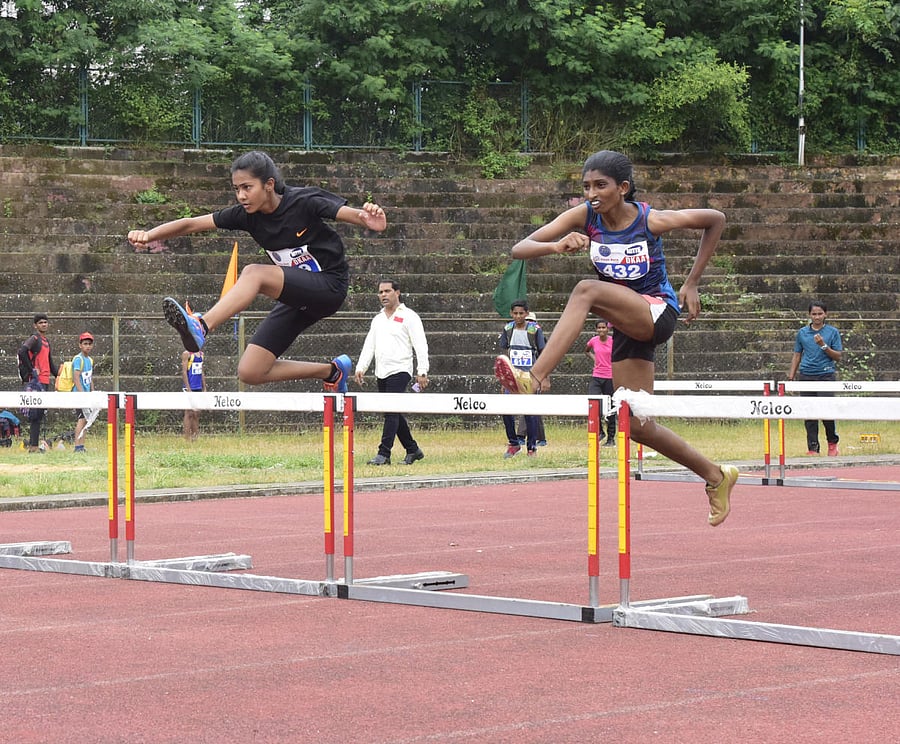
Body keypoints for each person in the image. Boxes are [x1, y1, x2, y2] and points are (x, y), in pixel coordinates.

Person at [493, 149, 738, 526]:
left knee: (586, 290)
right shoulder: (585, 217)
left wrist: (691, 283)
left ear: (622, 188)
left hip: (657, 312)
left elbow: (715, 219)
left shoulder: (649, 219)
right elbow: (519, 249)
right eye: (586, 186)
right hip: (626, 323)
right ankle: (716, 476)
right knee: (636, 424)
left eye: (601, 186)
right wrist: (555, 246)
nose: (592, 192)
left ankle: (536, 377)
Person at [126, 150, 387, 395]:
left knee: (254, 273)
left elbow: (350, 214)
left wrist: (368, 218)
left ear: (269, 185)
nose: (241, 196)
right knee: (250, 371)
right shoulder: (246, 216)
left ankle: (202, 326)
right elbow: (192, 223)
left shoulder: (303, 201)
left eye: (247, 188)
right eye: (237, 189)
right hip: (299, 297)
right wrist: (149, 235)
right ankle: (332, 372)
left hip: (330, 286)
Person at [354, 279, 429, 465]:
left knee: (390, 412)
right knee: (392, 411)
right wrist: (361, 367)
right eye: (380, 292)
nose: (383, 295)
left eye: (387, 291)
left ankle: (384, 453)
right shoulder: (378, 319)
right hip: (382, 371)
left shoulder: (410, 316)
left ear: (397, 292)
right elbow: (369, 344)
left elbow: (420, 344)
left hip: (401, 369)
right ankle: (413, 449)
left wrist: (422, 371)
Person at [786, 301, 843, 456]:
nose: (817, 317)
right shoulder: (802, 333)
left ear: (825, 314)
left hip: (825, 375)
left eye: (820, 314)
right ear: (809, 315)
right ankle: (813, 448)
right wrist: (791, 377)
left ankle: (832, 443)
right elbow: (797, 354)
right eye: (814, 314)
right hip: (806, 375)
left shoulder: (832, 332)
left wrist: (823, 345)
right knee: (809, 413)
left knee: (826, 411)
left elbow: (838, 356)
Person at [498, 299, 545, 458]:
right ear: (511, 314)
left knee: (529, 413)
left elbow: (543, 354)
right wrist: (504, 378)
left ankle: (531, 447)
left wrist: (543, 378)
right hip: (512, 377)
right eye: (515, 313)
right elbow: (506, 352)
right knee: (506, 410)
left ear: (527, 313)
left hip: (529, 376)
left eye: (521, 313)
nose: (518, 316)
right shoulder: (508, 328)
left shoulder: (534, 329)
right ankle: (513, 443)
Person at [17, 313, 58, 453]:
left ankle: (34, 445)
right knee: (35, 414)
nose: (44, 325)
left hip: (45, 381)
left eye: (45, 322)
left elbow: (50, 364)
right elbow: (22, 351)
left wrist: (60, 374)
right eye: (41, 323)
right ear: (35, 325)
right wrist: (32, 370)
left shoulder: (46, 341)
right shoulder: (34, 339)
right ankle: (33, 447)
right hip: (36, 382)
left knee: (40, 414)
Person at [516, 311, 547, 447]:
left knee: (530, 406)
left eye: (533, 322)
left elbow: (545, 358)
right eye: (529, 322)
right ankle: (539, 438)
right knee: (531, 408)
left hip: (535, 376)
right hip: (521, 375)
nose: (531, 325)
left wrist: (544, 378)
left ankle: (522, 436)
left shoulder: (540, 340)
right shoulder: (516, 338)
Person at [585, 318, 617, 445]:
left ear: (608, 329)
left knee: (610, 408)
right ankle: (600, 431)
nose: (601, 330)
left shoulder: (613, 341)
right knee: (593, 403)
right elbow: (587, 351)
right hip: (597, 376)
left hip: (610, 377)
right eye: (599, 328)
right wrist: (595, 359)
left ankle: (611, 438)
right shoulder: (593, 341)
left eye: (604, 328)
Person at [72, 332, 95, 453]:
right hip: (80, 395)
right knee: (81, 419)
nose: (88, 346)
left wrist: (92, 391)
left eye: (90, 344)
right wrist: (82, 394)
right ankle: (77, 446)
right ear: (80, 345)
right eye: (85, 344)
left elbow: (89, 378)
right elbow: (76, 377)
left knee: (86, 419)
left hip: (87, 395)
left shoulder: (90, 360)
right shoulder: (78, 359)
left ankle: (82, 445)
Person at [181, 349, 206, 442]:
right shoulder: (187, 354)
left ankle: (195, 438)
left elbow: (201, 372)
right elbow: (184, 372)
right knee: (189, 413)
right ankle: (187, 438)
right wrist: (188, 389)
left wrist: (204, 387)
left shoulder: (201, 354)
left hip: (198, 387)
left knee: (196, 413)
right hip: (190, 387)